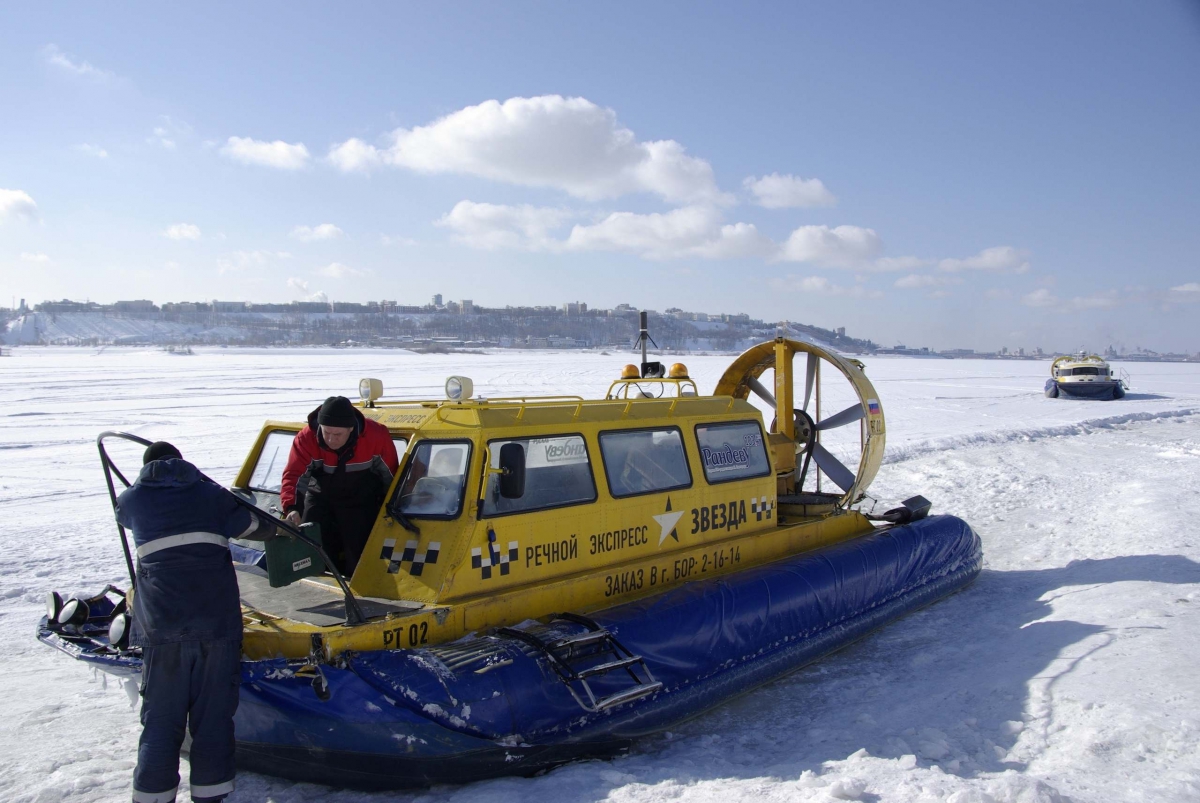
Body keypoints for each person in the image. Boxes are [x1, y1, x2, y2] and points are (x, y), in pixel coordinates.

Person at [116, 441, 275, 803]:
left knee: (160, 721)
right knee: (213, 721)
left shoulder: (132, 501)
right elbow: (257, 527)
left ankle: (152, 797)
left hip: (162, 629)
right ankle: (211, 796)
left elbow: (122, 515)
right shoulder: (211, 495)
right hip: (216, 625)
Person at [280, 395, 399, 575]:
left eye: (337, 434)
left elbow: (390, 475)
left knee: (358, 549)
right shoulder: (306, 438)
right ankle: (317, 581)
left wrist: (392, 506)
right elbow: (294, 476)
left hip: (360, 499)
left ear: (351, 429)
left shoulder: (375, 436)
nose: (331, 439)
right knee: (312, 543)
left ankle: (358, 589)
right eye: (326, 432)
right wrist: (292, 507)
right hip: (320, 496)